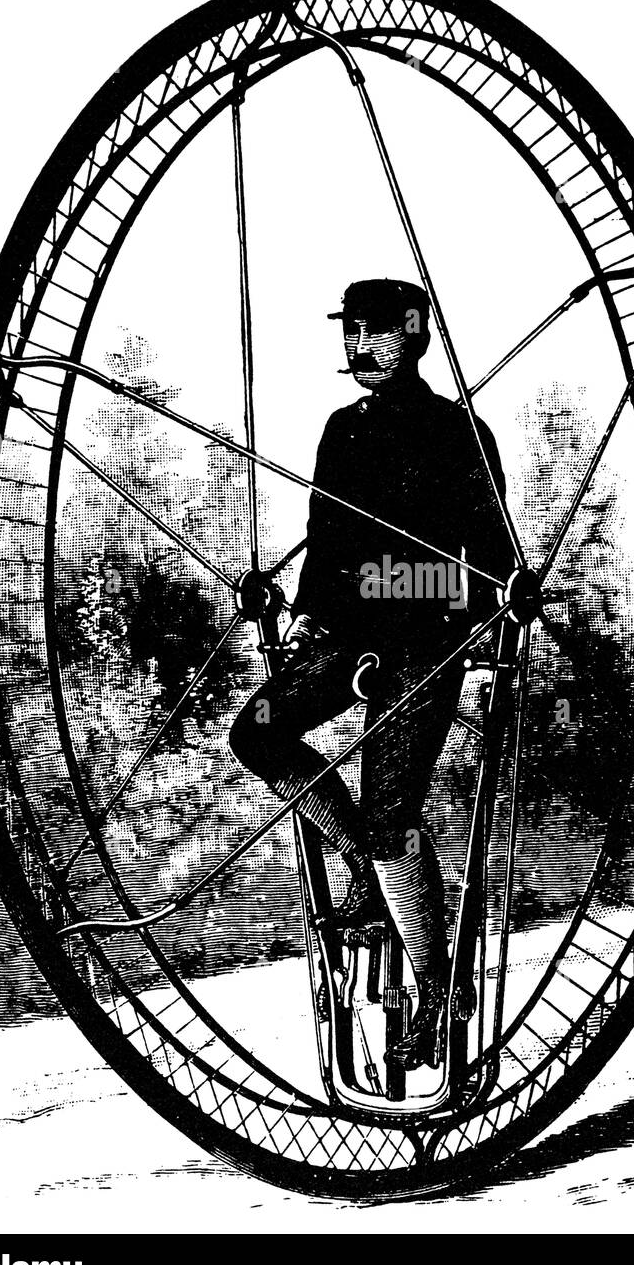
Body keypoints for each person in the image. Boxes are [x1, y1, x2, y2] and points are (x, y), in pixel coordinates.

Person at [229, 278, 514, 1070]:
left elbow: (494, 563)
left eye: (374, 331)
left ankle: (436, 991)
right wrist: (299, 617)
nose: (356, 347)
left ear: (415, 331)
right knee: (256, 736)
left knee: (394, 813)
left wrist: (481, 623)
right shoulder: (339, 429)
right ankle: (359, 863)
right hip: (349, 633)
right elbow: (325, 545)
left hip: (426, 640)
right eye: (349, 331)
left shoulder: (463, 434)